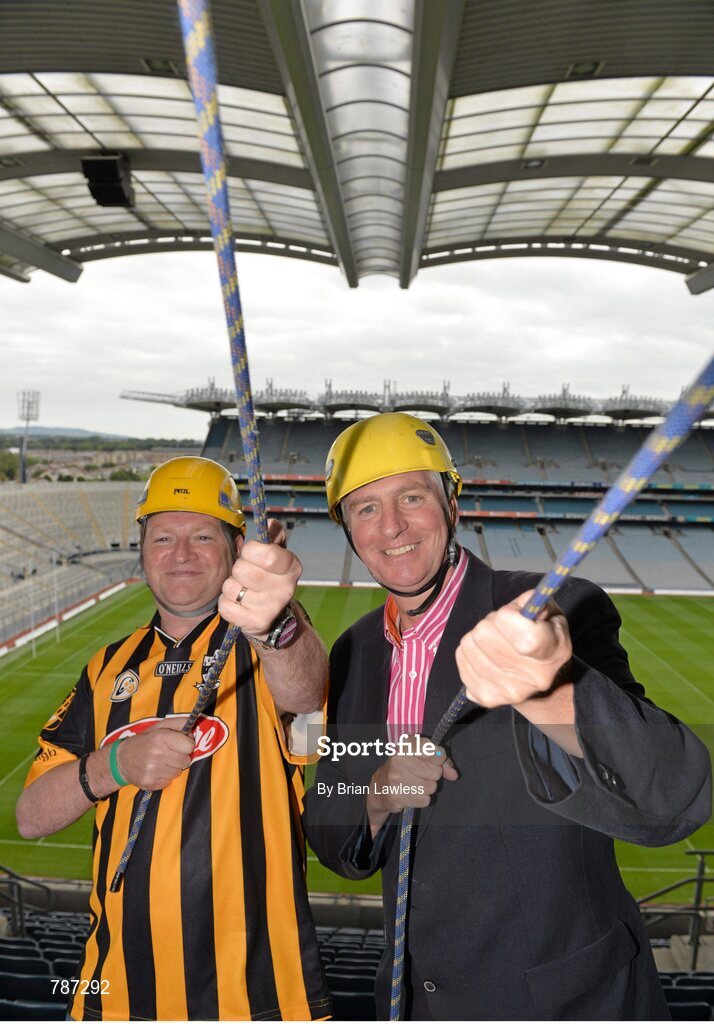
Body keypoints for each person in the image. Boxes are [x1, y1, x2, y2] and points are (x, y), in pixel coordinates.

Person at [305, 412, 711, 1021]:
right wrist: (377, 797)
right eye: (364, 509)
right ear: (347, 530)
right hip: (414, 1003)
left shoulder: (556, 610)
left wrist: (552, 687)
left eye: (411, 497)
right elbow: (332, 827)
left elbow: (672, 798)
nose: (390, 526)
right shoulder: (354, 652)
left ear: (452, 503)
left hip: (563, 1003)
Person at [17, 456, 330, 1022]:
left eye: (203, 535)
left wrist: (274, 623)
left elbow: (306, 696)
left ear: (235, 549)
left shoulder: (268, 646)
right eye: (163, 536)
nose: (180, 554)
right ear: (141, 550)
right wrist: (114, 765)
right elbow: (31, 816)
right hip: (112, 999)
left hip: (262, 1002)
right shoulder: (106, 667)